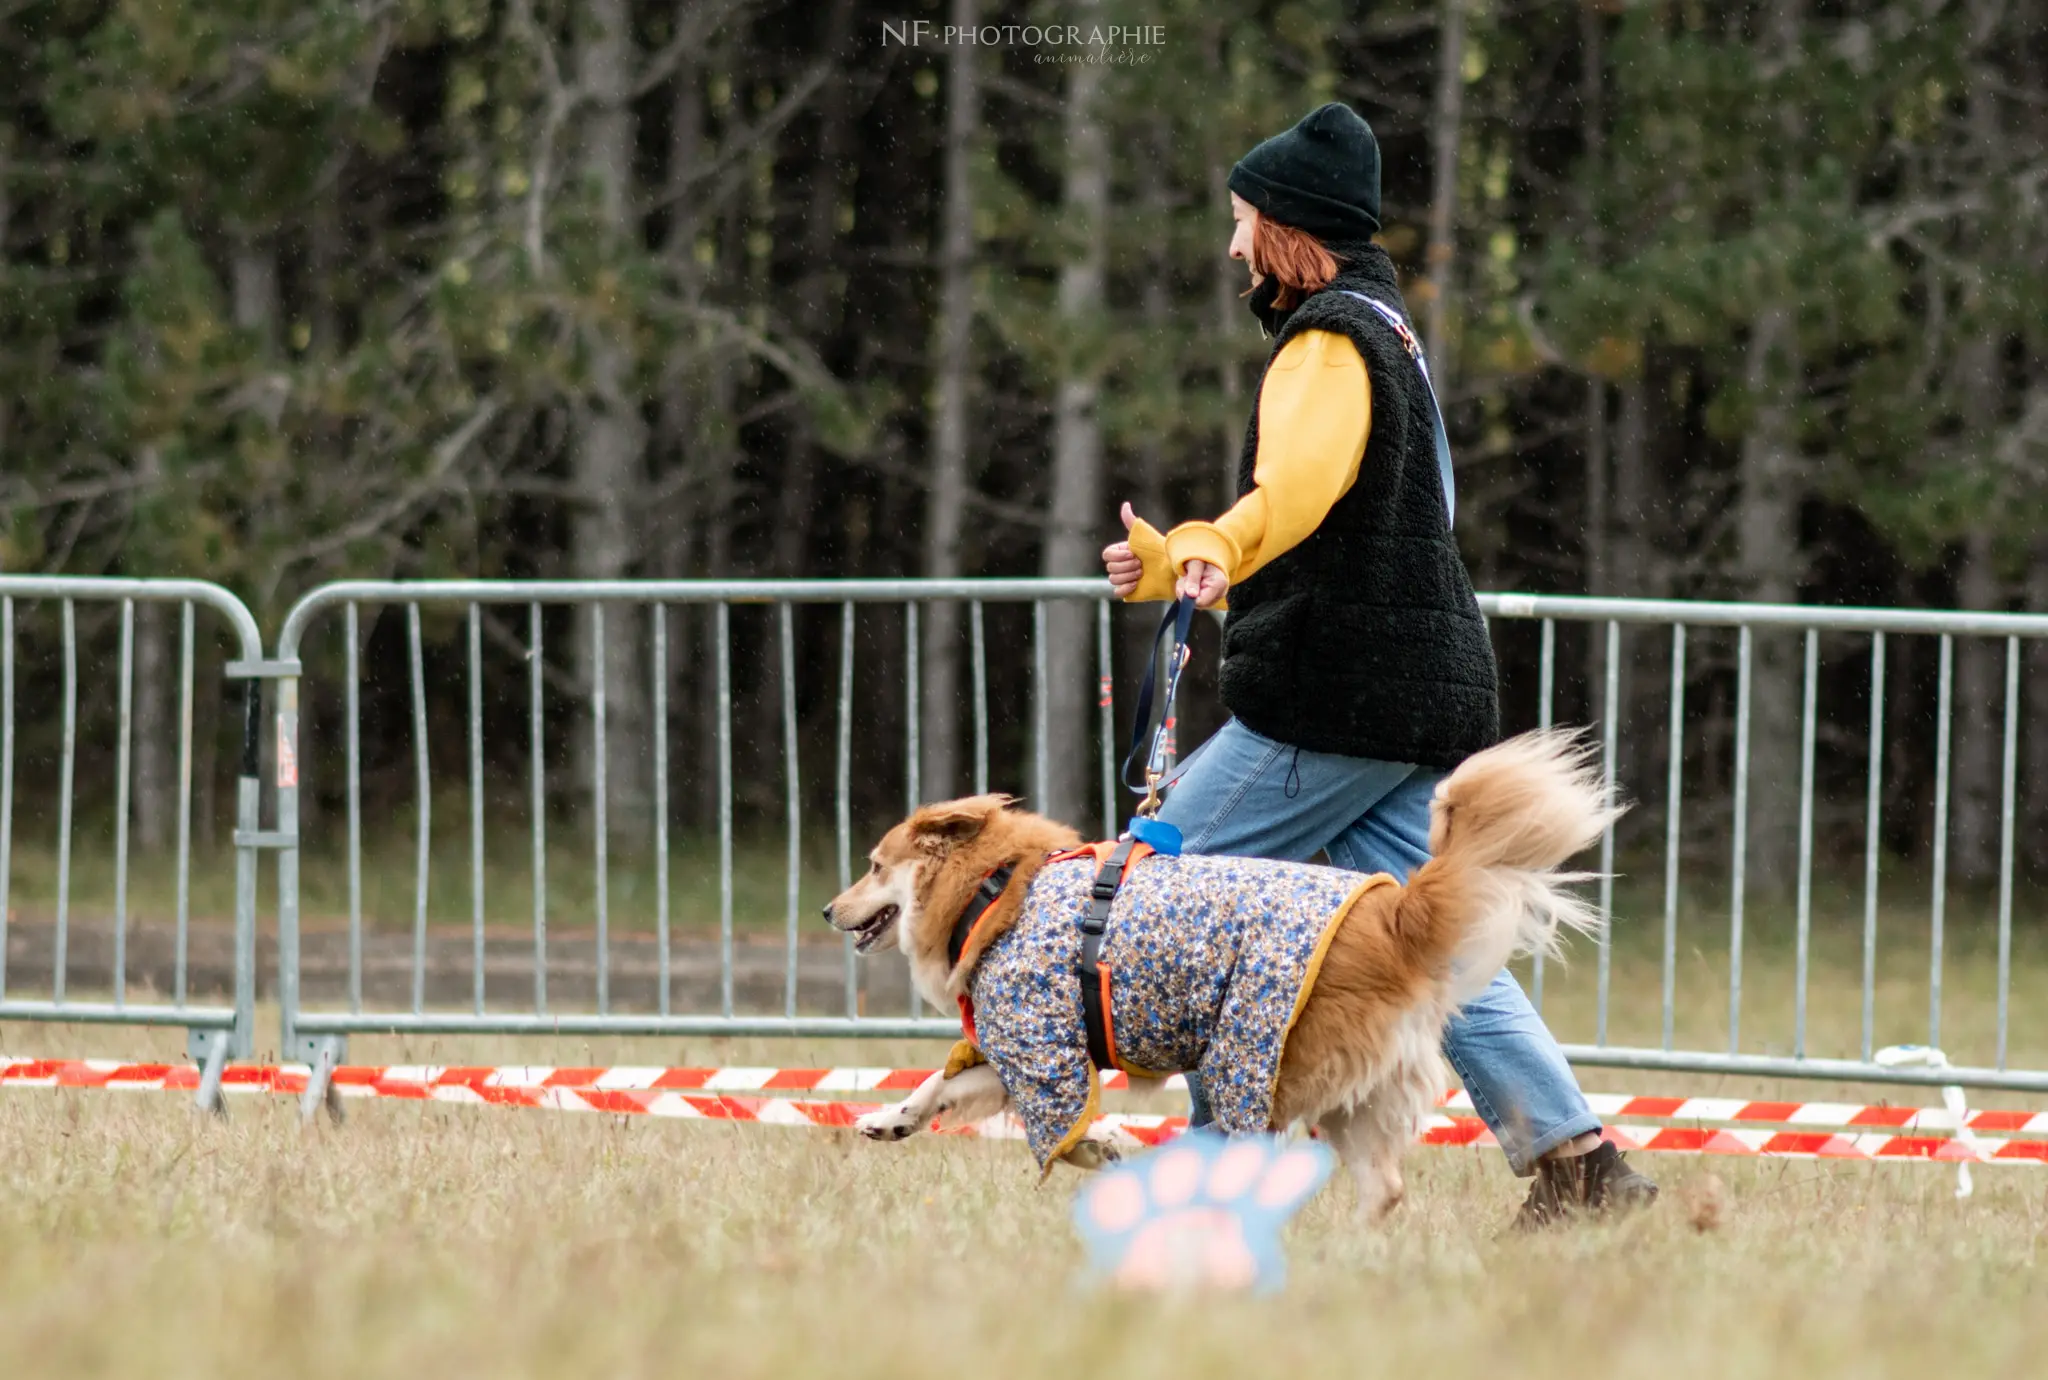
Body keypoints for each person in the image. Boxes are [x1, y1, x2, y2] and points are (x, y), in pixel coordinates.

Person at [1101, 102, 1656, 1229]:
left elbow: (1299, 490)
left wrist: (1211, 542)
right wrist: (1185, 566)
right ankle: (1579, 1164)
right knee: (1428, 941)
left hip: (1331, 698)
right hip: (1407, 687)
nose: (1230, 249)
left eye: (1241, 222)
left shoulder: (1325, 343)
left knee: (1158, 908)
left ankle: (1213, 1174)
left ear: (1289, 233)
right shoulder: (1387, 330)